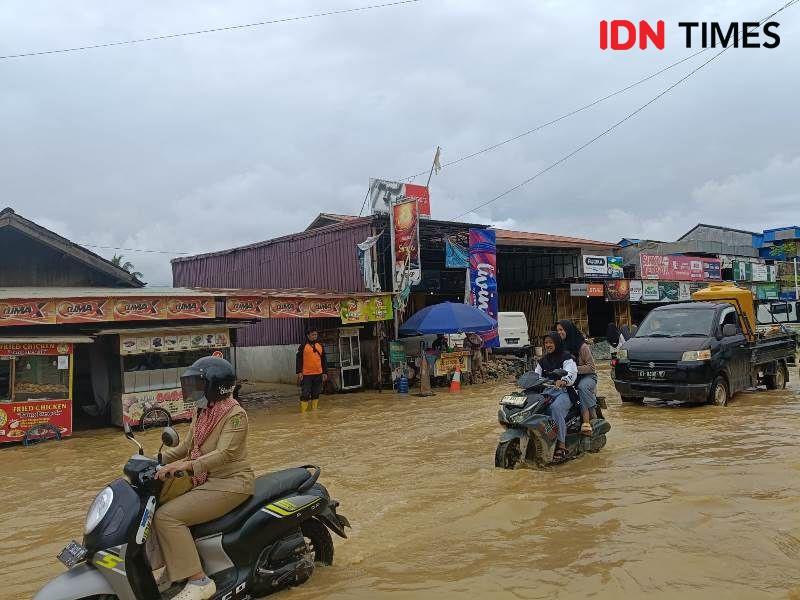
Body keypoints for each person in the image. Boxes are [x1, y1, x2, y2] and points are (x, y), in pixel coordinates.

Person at [154, 356, 254, 600]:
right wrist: (156, 461)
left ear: (214, 386)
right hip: (207, 480)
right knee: (161, 503)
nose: (192, 390)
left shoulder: (235, 415)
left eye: (198, 384)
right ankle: (175, 568)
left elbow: (223, 455)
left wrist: (187, 467)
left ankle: (199, 580)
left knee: (167, 517)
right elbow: (187, 446)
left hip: (231, 482)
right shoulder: (203, 411)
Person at [535, 332, 578, 462]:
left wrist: (564, 380)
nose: (548, 345)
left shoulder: (567, 357)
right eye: (546, 343)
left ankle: (561, 445)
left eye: (550, 342)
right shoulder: (542, 361)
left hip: (565, 391)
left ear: (557, 343)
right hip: (548, 391)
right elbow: (536, 376)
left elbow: (571, 372)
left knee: (555, 408)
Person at [556, 320, 596, 429]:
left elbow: (591, 367)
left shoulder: (582, 347)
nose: (559, 332)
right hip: (567, 377)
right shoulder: (559, 347)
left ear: (568, 330)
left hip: (587, 377)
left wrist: (573, 370)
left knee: (581, 387)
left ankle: (586, 422)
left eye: (561, 330)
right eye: (557, 330)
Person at [296, 329, 328, 412]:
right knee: (305, 393)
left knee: (316, 393)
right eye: (313, 334)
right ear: (308, 335)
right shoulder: (303, 346)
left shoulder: (320, 345)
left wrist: (325, 372)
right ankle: (303, 413)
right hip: (306, 374)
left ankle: (314, 410)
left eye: (316, 335)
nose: (315, 336)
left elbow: (323, 359)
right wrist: (299, 372)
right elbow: (298, 359)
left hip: (318, 373)